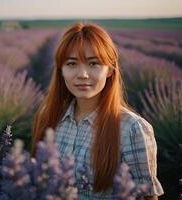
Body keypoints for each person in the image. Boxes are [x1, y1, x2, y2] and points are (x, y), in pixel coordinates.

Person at [31, 22, 164, 200]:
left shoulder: (132, 129)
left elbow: (147, 196)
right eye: (72, 64)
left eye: (93, 64)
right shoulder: (48, 117)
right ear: (61, 70)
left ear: (110, 70)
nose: (83, 74)